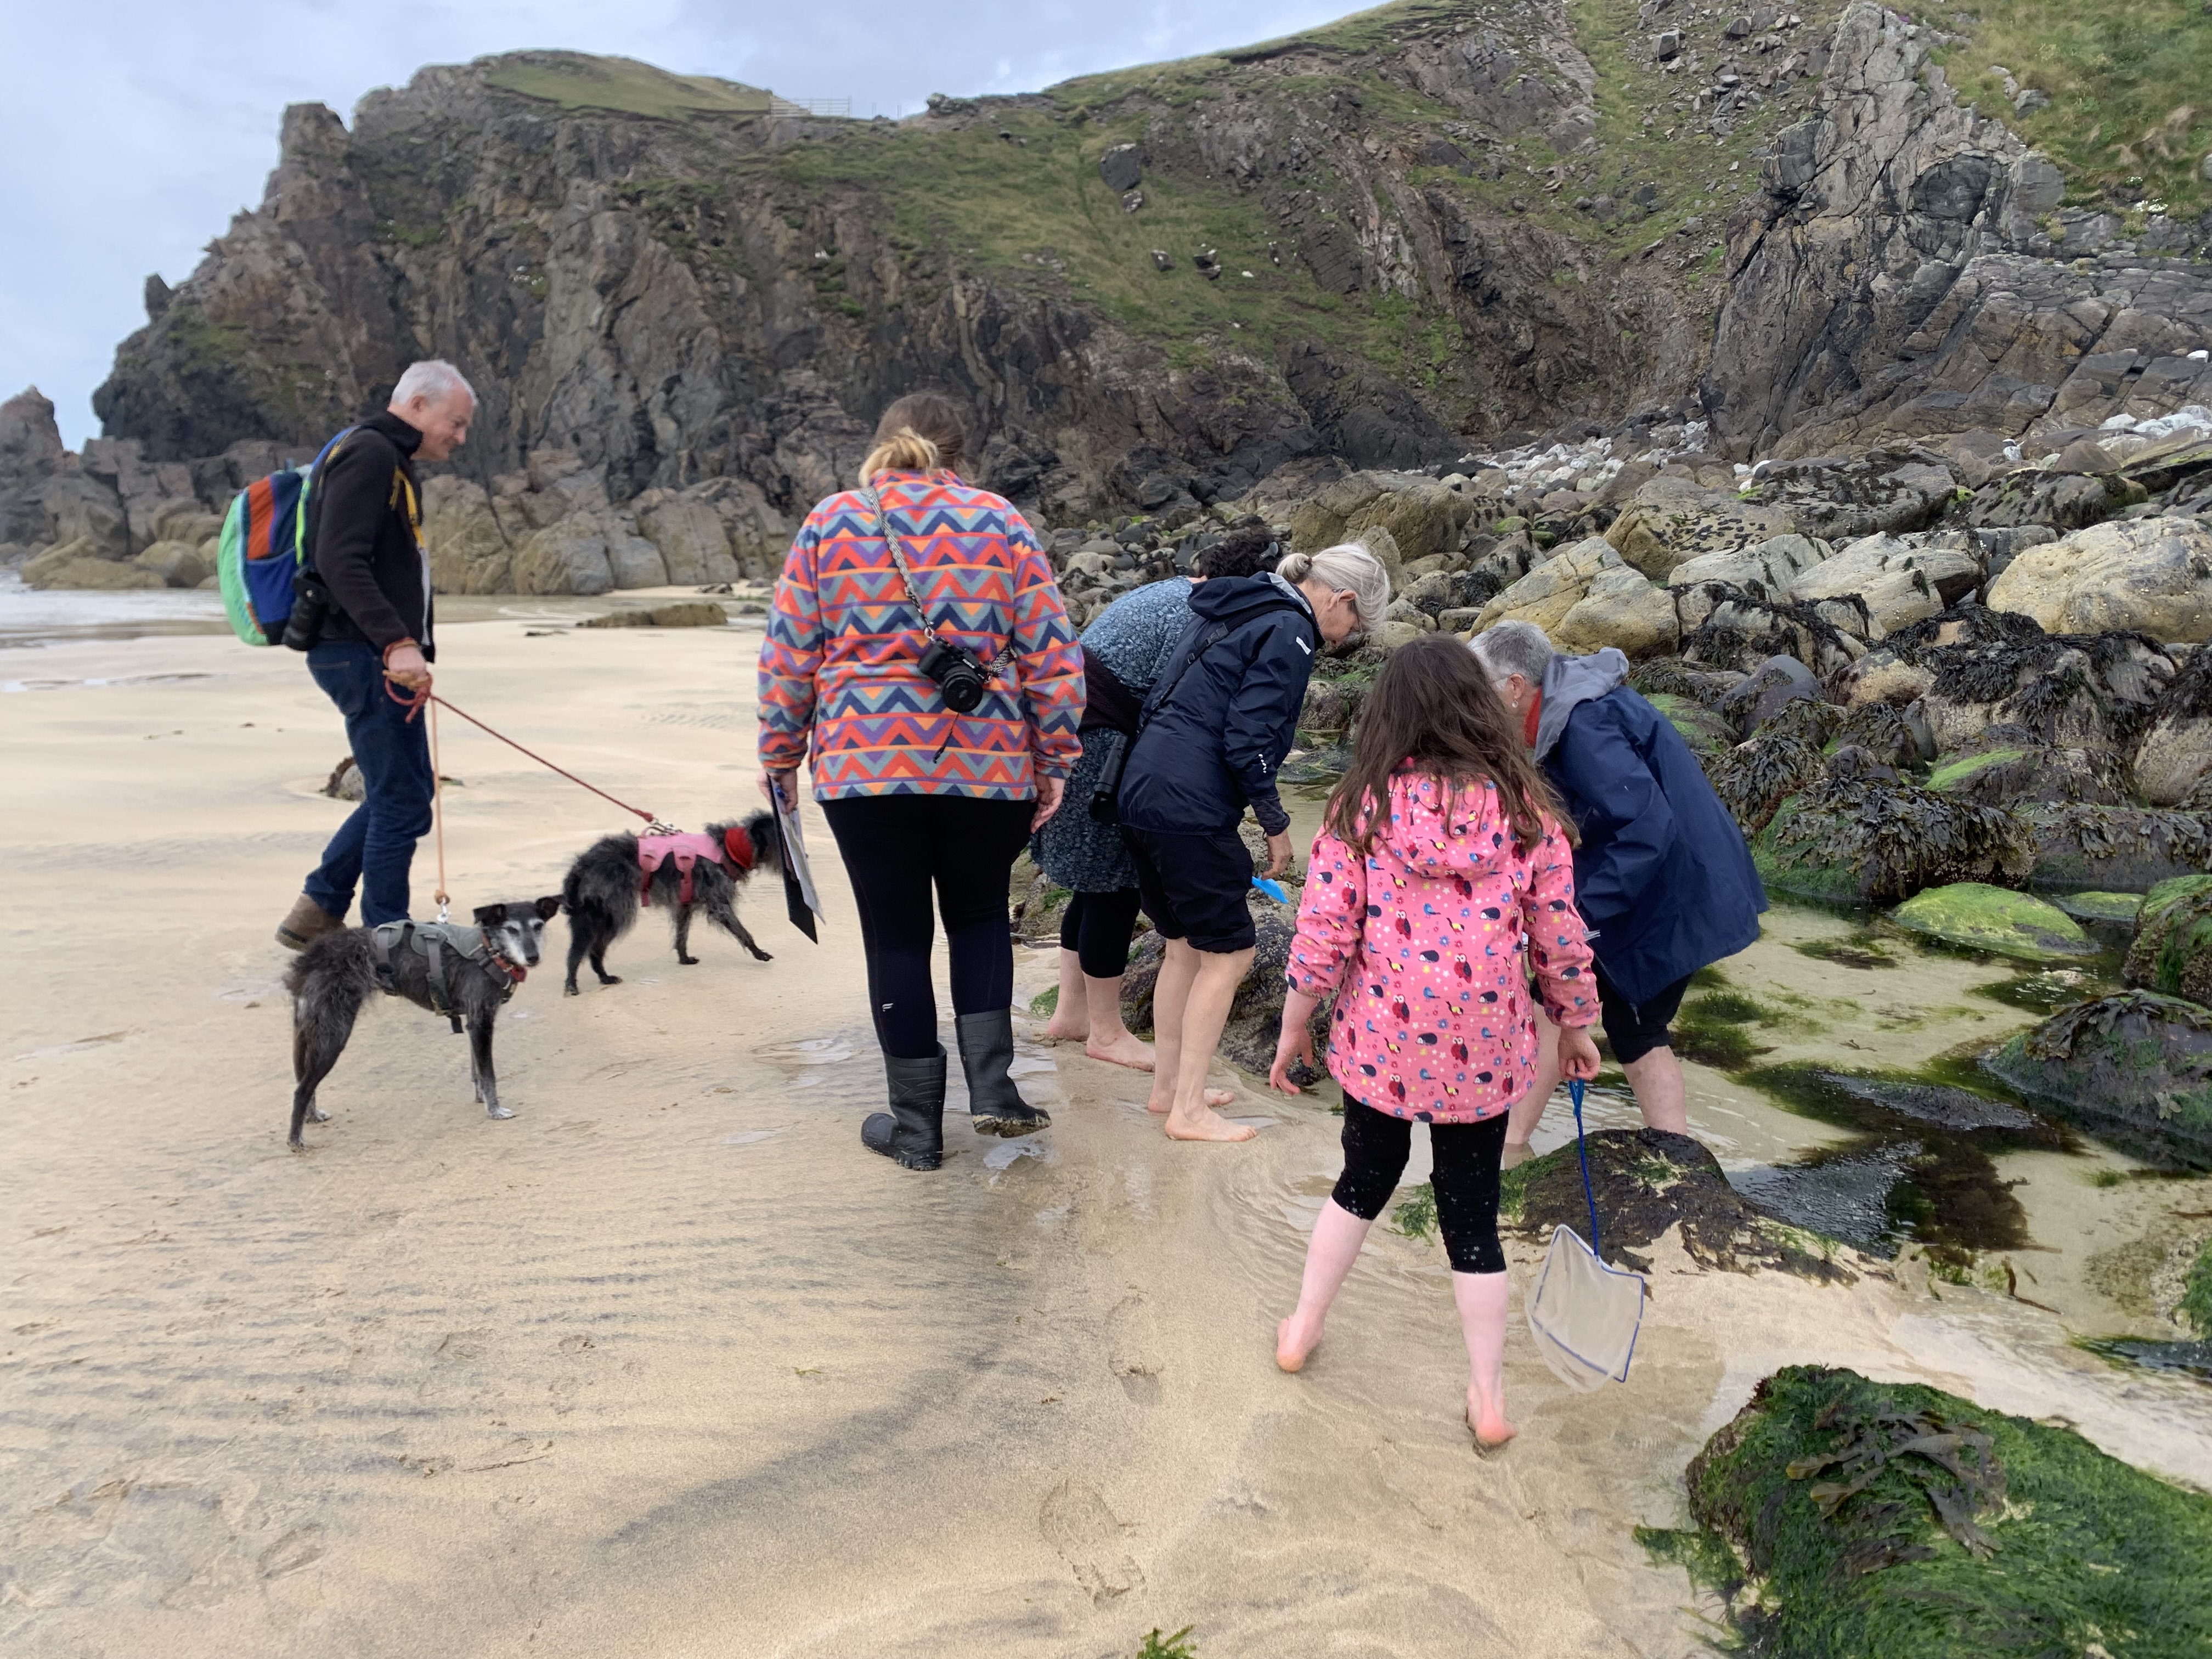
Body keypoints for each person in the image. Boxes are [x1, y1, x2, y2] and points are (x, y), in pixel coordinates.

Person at [1266, 635, 1599, 1448]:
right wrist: (1576, 1022)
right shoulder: (1528, 814)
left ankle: (1303, 1326)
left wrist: (1294, 1023)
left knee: (1363, 1179)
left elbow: (1324, 932)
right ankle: (1487, 1396)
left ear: (1390, 716)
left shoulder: (1361, 807)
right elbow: (1559, 934)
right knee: (1472, 1216)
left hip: (1383, 1044)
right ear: (1482, 708)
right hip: (1486, 1049)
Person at [757, 392, 1084, 1172]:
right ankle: (996, 1094)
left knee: (896, 935)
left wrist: (780, 756)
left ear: (882, 445)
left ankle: (916, 1129)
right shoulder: (1002, 523)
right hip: (987, 760)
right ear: (960, 456)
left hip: (865, 766)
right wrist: (1055, 760)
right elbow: (1052, 654)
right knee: (976, 920)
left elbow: (789, 653)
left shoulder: (832, 522)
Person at [1115, 543, 1390, 1144]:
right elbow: (1249, 739)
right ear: (1340, 599)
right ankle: (1188, 1109)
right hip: (1189, 804)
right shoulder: (1290, 629)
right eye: (1356, 624)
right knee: (1232, 953)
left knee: (1183, 944)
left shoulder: (1238, 604)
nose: (1347, 639)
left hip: (1141, 789)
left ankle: (1169, 1088)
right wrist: (1275, 823)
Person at [1467, 620, 1766, 1161]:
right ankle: (1679, 1161)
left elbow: (1647, 829)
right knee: (1632, 1028)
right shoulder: (1568, 708)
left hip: (1669, 891)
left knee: (1564, 1007)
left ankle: (1508, 1151)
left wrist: (1578, 914)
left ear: (1514, 688)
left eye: (1477, 692)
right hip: (1675, 884)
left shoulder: (1585, 722)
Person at [1034, 526, 1285, 1077]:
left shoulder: (1174, 590)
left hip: (1070, 734)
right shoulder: (1206, 611)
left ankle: (1073, 1016)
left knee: (1093, 884)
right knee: (1116, 889)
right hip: (1102, 745)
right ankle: (1105, 1032)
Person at [275, 360, 477, 950]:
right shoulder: (371, 455)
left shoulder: (384, 456)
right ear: (417, 405)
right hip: (360, 654)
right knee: (397, 799)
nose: (460, 438)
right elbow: (341, 561)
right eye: (456, 423)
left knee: (409, 793)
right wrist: (397, 642)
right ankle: (387, 943)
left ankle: (318, 909)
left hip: (366, 653)